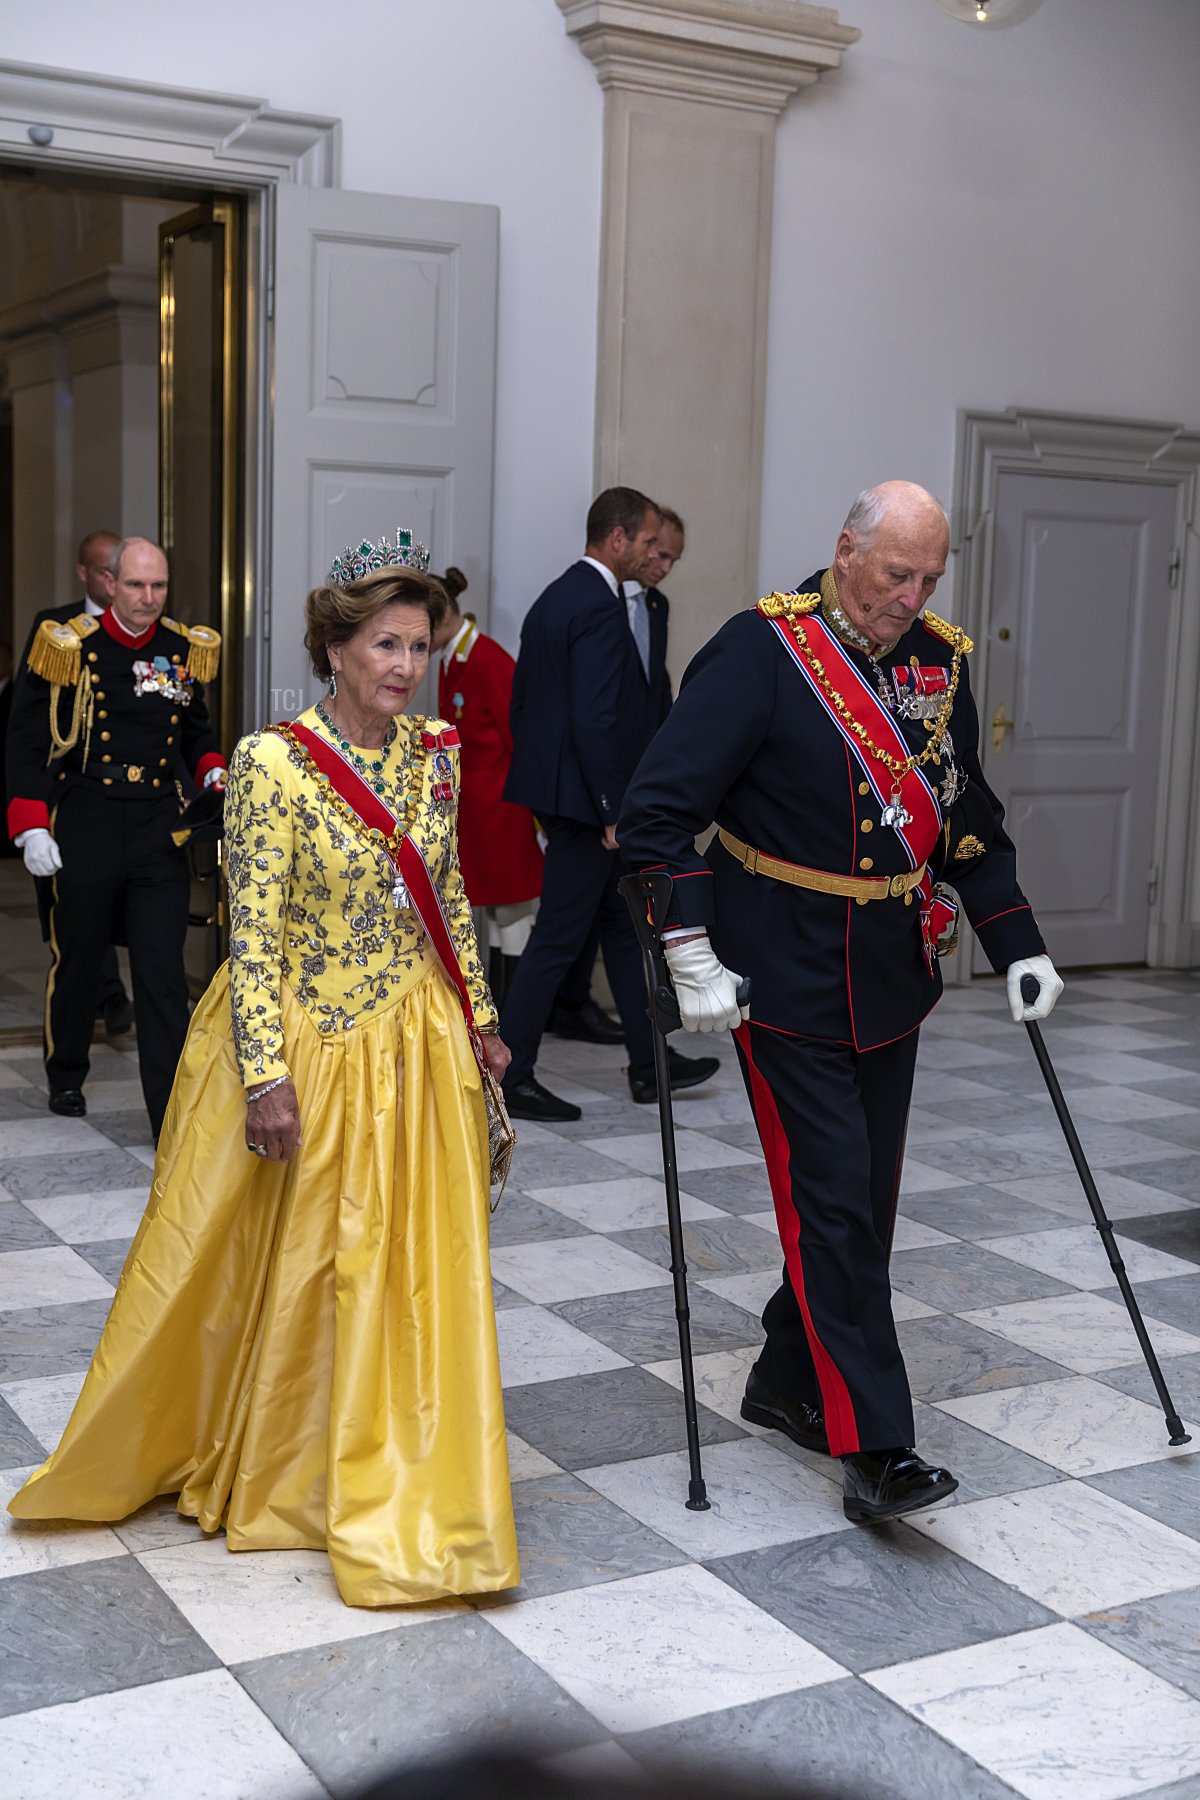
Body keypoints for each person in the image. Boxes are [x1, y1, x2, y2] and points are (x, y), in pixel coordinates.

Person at [8, 531, 520, 1610]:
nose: (405, 665)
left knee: (406, 1263)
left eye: (419, 646)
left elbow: (452, 895)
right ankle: (289, 1455)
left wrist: (477, 1016)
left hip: (414, 1037)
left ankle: (398, 1457)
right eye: (385, 643)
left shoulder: (435, 753)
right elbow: (256, 937)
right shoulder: (269, 763)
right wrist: (266, 1074)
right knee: (294, 1261)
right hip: (308, 1037)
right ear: (336, 647)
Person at [618, 481, 1063, 1524]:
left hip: (890, 977)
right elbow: (655, 813)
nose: (909, 596)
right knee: (831, 1204)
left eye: (928, 578)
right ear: (844, 552)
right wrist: (686, 944)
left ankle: (786, 1379)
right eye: (895, 573)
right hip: (779, 972)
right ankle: (880, 1447)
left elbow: (965, 820)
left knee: (861, 1203)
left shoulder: (935, 663)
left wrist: (1016, 941)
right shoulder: (761, 653)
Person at [501, 487, 717, 1119]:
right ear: (618, 539)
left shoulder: (558, 596)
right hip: (589, 808)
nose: (655, 553)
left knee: (623, 929)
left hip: (567, 799)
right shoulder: (596, 605)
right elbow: (595, 720)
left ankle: (650, 1063)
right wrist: (610, 810)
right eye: (649, 542)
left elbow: (529, 707)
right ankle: (510, 1075)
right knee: (556, 941)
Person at [5, 536, 225, 1133]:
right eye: (135, 585)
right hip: (88, 819)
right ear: (109, 583)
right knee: (78, 960)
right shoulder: (69, 647)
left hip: (158, 827)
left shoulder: (182, 648)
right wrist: (29, 825)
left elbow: (195, 733)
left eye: (158, 586)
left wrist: (211, 768)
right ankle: (67, 1072)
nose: (148, 598)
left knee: (159, 973)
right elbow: (27, 740)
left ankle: (170, 1114)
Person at [5, 529, 134, 1027]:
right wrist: (29, 813)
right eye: (104, 570)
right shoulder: (54, 627)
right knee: (72, 913)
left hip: (131, 802)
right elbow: (28, 727)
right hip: (69, 796)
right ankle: (100, 1000)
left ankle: (111, 993)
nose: (113, 580)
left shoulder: (157, 632)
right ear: (85, 573)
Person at [431, 564, 544, 1007]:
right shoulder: (451, 659)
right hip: (475, 812)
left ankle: (518, 1013)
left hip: (503, 812)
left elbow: (521, 739)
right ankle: (496, 1009)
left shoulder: (490, 660)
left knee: (513, 915)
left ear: (442, 619)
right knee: (494, 918)